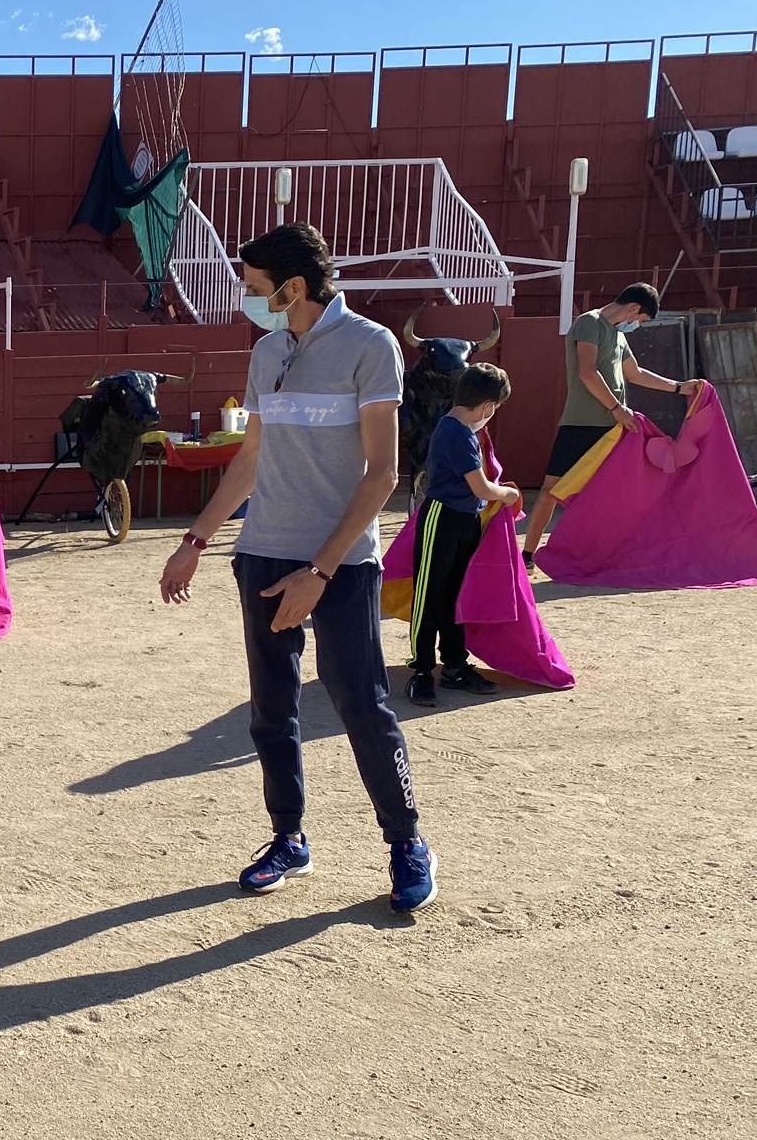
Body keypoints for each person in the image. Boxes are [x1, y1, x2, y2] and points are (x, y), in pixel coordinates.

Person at [157, 222, 437, 914]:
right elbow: (250, 459)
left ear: (294, 286)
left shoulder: (371, 347)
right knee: (271, 711)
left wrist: (320, 568)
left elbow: (383, 474)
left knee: (360, 703)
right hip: (262, 554)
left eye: (255, 286)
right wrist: (194, 541)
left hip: (338, 564)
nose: (247, 296)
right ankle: (288, 837)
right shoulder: (267, 353)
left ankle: (406, 842)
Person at [521, 283, 699, 569]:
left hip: (614, 429)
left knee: (610, 495)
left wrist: (679, 388)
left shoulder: (617, 335)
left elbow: (636, 373)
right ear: (633, 309)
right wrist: (617, 409)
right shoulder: (589, 323)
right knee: (550, 491)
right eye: (639, 320)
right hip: (582, 423)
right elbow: (587, 373)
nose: (635, 325)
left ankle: (601, 555)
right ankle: (527, 555)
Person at [405, 363, 522, 708]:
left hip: (461, 519)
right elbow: (481, 487)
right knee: (430, 596)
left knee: (454, 596)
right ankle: (422, 670)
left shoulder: (456, 428)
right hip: (442, 519)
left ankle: (454, 665)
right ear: (487, 407)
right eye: (495, 409)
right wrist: (508, 495)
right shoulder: (456, 432)